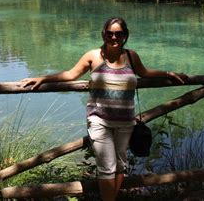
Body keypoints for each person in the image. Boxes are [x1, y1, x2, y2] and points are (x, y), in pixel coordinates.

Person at [21, 17, 187, 201]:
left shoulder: (131, 56)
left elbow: (145, 73)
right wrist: (43, 78)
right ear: (104, 34)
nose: (114, 37)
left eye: (118, 33)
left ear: (125, 35)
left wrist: (168, 74)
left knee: (120, 165)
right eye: (110, 33)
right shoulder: (93, 56)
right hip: (99, 119)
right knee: (107, 167)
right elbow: (70, 74)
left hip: (126, 121)